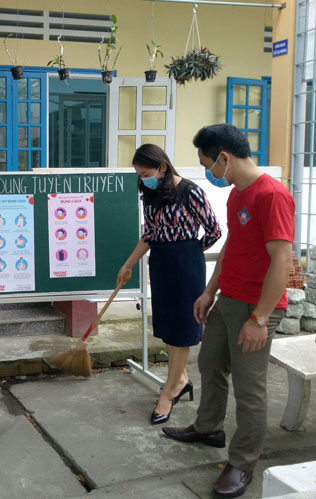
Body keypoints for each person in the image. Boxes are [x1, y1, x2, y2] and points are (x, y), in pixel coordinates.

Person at [162, 124, 294, 498]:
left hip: (256, 307)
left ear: (224, 158)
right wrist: (209, 291)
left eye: (208, 164)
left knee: (249, 389)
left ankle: (242, 463)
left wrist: (261, 319)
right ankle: (208, 428)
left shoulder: (271, 195)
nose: (208, 173)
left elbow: (282, 261)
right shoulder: (237, 194)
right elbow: (233, 247)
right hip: (228, 299)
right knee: (210, 365)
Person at [117, 144, 221, 426]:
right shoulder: (150, 193)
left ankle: (169, 391)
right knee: (167, 325)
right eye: (138, 174)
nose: (143, 178)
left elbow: (214, 230)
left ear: (162, 167)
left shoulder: (190, 191)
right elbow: (149, 234)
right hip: (160, 261)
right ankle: (181, 379)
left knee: (183, 329)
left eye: (146, 172)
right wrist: (128, 265)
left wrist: (189, 250)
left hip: (187, 263)